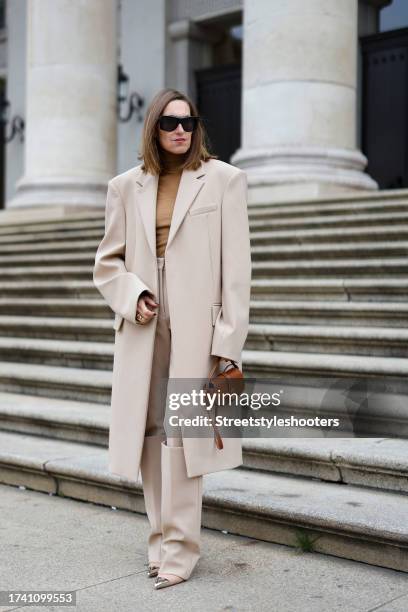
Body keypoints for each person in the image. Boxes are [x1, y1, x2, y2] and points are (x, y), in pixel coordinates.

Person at [93, 88, 252, 590]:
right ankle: (159, 541)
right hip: (145, 326)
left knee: (186, 436)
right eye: (169, 122)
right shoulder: (126, 186)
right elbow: (107, 262)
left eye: (188, 120)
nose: (180, 129)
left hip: (197, 327)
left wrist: (227, 342)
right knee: (151, 435)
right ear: (153, 129)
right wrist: (132, 294)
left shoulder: (224, 179)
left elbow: (237, 270)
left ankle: (181, 551)